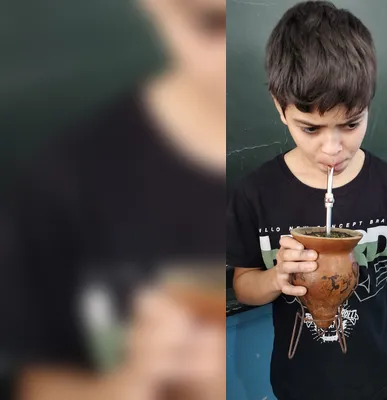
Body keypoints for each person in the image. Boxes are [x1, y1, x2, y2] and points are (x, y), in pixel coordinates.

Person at [0, 0, 226, 398]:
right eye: (211, 24)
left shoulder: (285, 183)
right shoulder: (63, 182)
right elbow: (35, 382)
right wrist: (130, 386)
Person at [227, 2, 387, 399]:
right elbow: (243, 285)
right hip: (299, 380)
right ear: (279, 107)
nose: (333, 148)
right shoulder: (255, 193)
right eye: (311, 128)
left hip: (377, 369)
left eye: (351, 124)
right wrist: (276, 278)